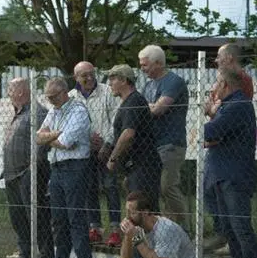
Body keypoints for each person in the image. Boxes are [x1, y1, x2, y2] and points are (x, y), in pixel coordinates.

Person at [205, 67, 257, 258]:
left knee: (241, 228)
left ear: (226, 86)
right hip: (221, 173)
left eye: (216, 84)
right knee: (229, 230)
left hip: (235, 175)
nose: (213, 88)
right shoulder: (228, 106)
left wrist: (210, 113)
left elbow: (211, 131)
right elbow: (214, 135)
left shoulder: (237, 105)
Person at [36, 76, 93, 258]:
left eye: (53, 96)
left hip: (75, 166)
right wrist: (55, 135)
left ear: (64, 92)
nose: (50, 100)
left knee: (75, 215)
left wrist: (49, 137)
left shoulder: (78, 110)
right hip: (57, 167)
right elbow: (38, 137)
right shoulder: (53, 110)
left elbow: (66, 142)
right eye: (48, 97)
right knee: (58, 217)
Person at [203, 44, 254, 254]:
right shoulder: (227, 99)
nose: (216, 61)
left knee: (239, 224)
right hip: (219, 157)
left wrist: (214, 120)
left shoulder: (241, 88)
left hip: (233, 162)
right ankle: (224, 234)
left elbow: (223, 125)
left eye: (219, 57)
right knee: (209, 193)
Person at [2, 78, 52, 258]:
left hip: (28, 173)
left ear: (21, 92)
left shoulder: (38, 113)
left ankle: (45, 256)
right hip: (11, 174)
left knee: (36, 216)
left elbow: (42, 142)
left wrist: (34, 167)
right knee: (18, 217)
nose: (8, 93)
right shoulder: (17, 114)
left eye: (10, 89)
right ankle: (25, 254)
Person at [70, 61, 121, 246]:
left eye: (92, 73)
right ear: (76, 77)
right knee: (89, 188)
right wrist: (87, 141)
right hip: (84, 151)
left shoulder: (108, 91)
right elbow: (71, 126)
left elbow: (116, 120)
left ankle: (115, 229)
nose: (90, 78)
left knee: (110, 187)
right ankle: (95, 228)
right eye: (85, 75)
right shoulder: (71, 97)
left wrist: (106, 144)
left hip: (107, 148)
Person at [139, 45, 189, 228]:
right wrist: (148, 108)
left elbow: (159, 109)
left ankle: (184, 227)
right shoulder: (148, 85)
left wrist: (148, 108)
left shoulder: (173, 81)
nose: (142, 69)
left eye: (145, 65)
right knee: (153, 187)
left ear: (158, 63)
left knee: (167, 186)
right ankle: (165, 227)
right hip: (153, 143)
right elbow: (145, 109)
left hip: (171, 142)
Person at [106, 64, 161, 211]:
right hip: (135, 166)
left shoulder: (134, 101)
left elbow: (128, 134)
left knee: (144, 211)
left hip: (144, 165)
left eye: (112, 79)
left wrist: (113, 158)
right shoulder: (127, 102)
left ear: (124, 80)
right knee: (138, 211)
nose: (109, 83)